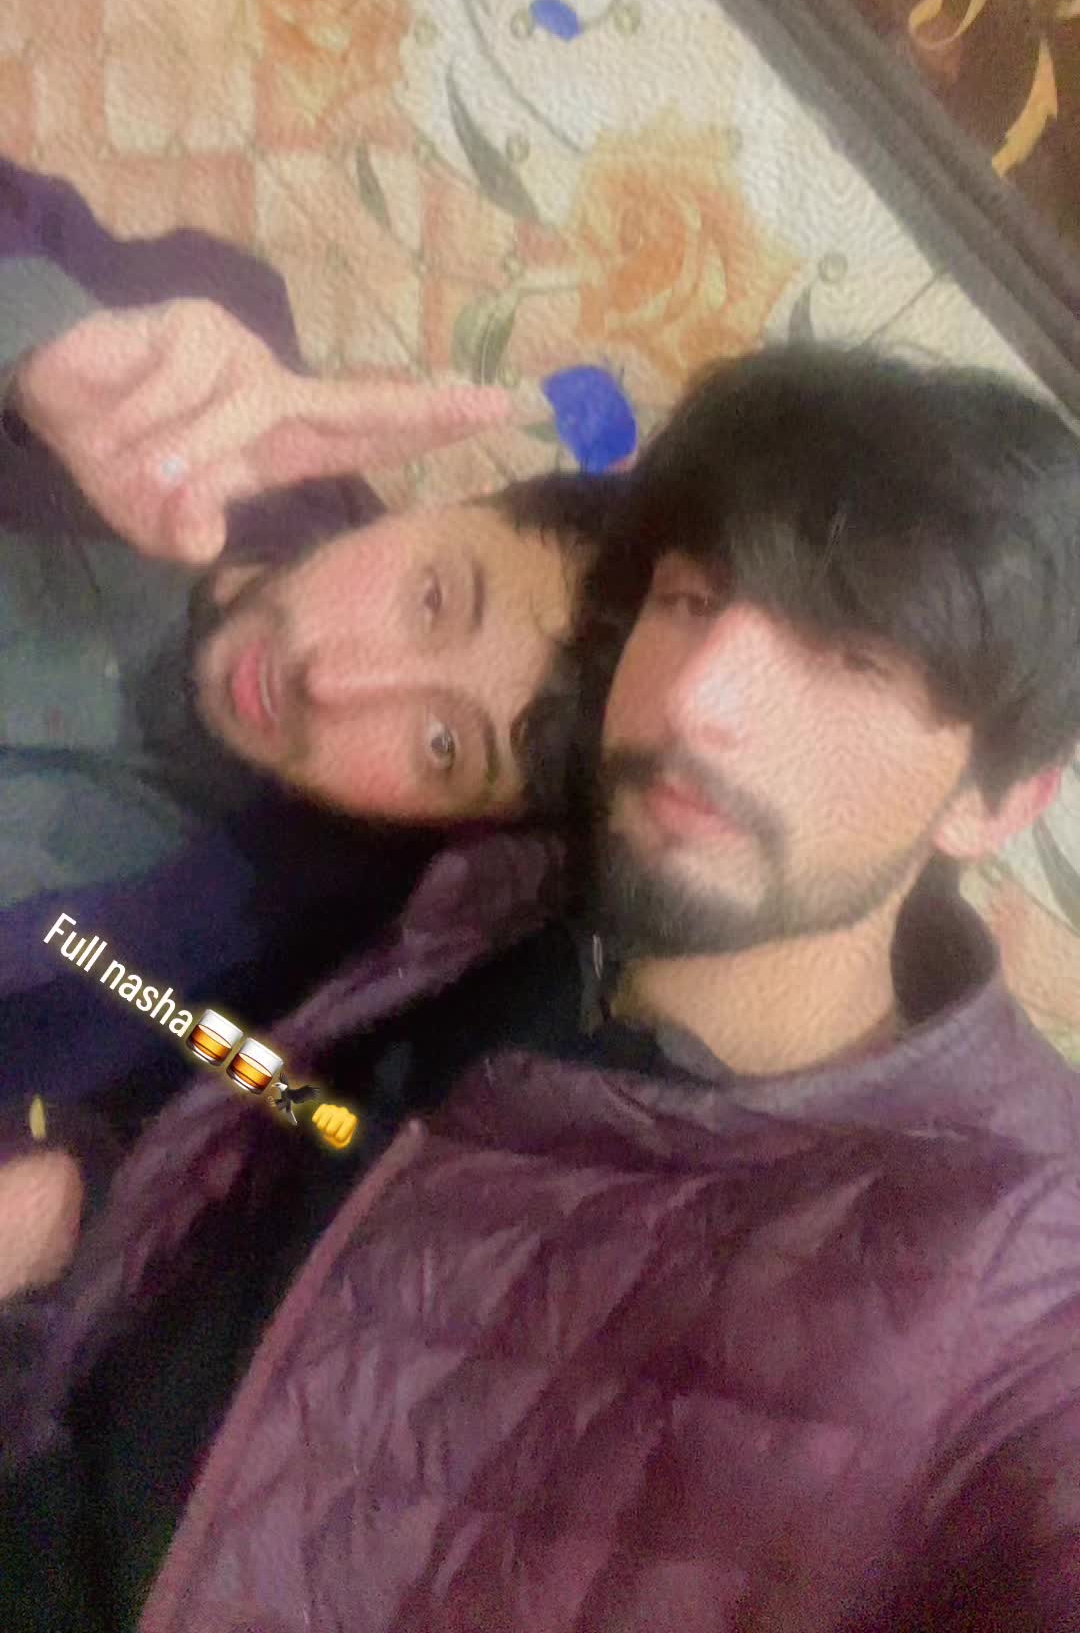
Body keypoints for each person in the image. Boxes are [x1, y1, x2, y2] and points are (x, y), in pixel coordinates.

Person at [6, 341, 1080, 1632]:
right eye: (692, 598)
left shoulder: (1007, 1265)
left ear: (1000, 800)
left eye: (851, 660)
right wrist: (94, 1179)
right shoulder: (509, 905)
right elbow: (298, 1107)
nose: (701, 700)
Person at [0, 160, 612, 1113]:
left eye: (443, 746)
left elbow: (290, 1109)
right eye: (431, 600)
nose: (332, 682)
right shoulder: (205, 341)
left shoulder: (290, 961)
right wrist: (30, 342)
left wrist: (67, 1166)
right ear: (451, 501)